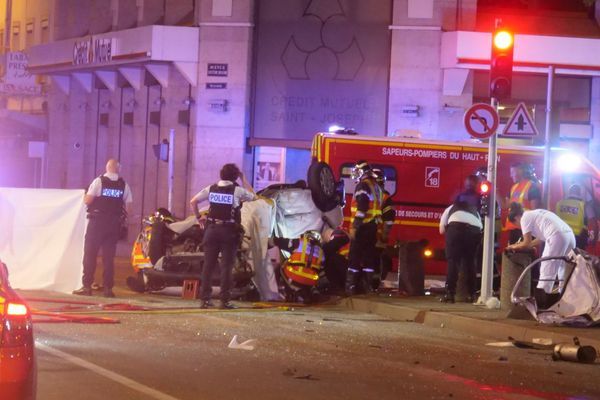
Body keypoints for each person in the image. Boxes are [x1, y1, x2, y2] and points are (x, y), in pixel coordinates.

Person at [190, 163, 255, 309]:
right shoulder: (237, 191)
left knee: (208, 266)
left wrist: (198, 217)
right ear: (235, 176)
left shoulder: (211, 188)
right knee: (226, 267)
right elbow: (253, 196)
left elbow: (193, 201)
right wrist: (244, 178)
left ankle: (205, 300)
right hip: (228, 232)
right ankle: (224, 301)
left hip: (211, 230)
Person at [73, 159, 132, 298]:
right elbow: (129, 208)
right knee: (108, 258)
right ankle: (108, 289)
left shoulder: (99, 181)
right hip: (113, 225)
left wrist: (87, 194)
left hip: (97, 223)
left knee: (90, 255)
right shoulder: (124, 185)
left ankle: (87, 287)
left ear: (107, 167)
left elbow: (88, 200)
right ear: (118, 169)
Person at [505, 203, 575, 294]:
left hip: (557, 236)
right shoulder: (536, 213)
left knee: (547, 268)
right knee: (564, 269)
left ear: (516, 218)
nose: (519, 227)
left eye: (516, 225)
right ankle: (565, 296)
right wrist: (522, 245)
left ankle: (542, 300)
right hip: (569, 235)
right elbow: (538, 240)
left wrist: (512, 246)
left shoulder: (524, 218)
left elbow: (526, 243)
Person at [346, 160, 383, 295]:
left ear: (362, 172)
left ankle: (350, 287)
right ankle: (367, 287)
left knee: (354, 256)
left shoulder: (362, 185)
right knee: (368, 257)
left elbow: (362, 207)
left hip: (362, 227)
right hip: (372, 227)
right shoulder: (376, 187)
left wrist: (355, 226)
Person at [438, 199, 483, 303]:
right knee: (471, 262)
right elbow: (481, 227)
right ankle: (472, 294)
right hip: (474, 231)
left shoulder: (449, 209)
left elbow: (441, 231)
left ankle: (450, 294)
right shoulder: (475, 211)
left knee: (453, 262)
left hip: (455, 229)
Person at [502, 162, 542, 244]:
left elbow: (535, 212)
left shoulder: (531, 186)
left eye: (512, 172)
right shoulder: (513, 187)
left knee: (523, 254)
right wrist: (495, 192)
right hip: (514, 228)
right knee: (514, 254)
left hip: (525, 229)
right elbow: (505, 206)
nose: (511, 175)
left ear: (520, 171)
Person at [555, 183, 598, 250]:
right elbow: (594, 224)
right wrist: (593, 239)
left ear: (569, 192)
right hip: (578, 240)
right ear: (579, 192)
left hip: (561, 238)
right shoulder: (585, 206)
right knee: (577, 259)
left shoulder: (559, 204)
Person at [372, 168, 395, 287]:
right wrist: (385, 235)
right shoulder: (386, 197)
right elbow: (389, 220)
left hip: (371, 235)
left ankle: (370, 285)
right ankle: (373, 285)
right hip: (377, 236)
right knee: (375, 261)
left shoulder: (370, 194)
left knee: (370, 260)